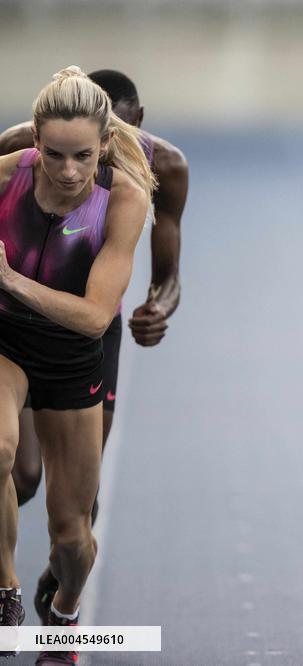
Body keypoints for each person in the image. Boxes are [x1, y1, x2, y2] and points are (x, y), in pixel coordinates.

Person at [0, 68, 187, 622]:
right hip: (6, 340)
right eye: (53, 155)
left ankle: (63, 611)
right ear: (34, 139)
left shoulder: (132, 191)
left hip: (75, 349)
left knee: (72, 532)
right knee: (7, 459)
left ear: (108, 141)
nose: (67, 171)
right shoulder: (10, 166)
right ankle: (5, 591)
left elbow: (94, 316)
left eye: (81, 155)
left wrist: (8, 279)